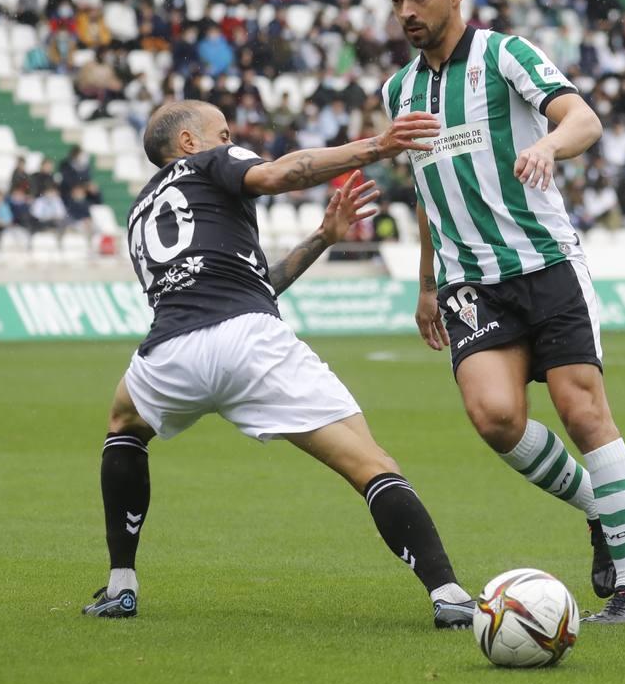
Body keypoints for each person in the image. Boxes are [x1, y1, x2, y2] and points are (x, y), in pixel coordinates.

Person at [82, 99, 477, 629]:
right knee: (371, 464)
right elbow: (281, 173)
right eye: (221, 132)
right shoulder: (210, 163)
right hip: (248, 342)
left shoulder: (140, 211)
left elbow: (252, 284)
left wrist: (322, 237)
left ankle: (121, 585)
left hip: (168, 355)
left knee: (122, 425)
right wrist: (377, 147)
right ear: (188, 143)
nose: (231, 139)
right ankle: (448, 593)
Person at [383, 0, 625, 624]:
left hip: (543, 264)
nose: (406, 11)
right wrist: (425, 284)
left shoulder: (506, 56)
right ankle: (601, 511)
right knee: (495, 418)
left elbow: (583, 118)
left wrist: (545, 144)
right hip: (467, 283)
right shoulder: (398, 90)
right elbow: (425, 188)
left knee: (580, 410)